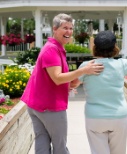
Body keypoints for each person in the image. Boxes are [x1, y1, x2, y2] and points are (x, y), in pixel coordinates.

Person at [20, 13, 103, 154]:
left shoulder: (55, 47)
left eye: (71, 28)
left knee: (42, 141)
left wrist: (68, 86)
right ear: (55, 29)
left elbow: (53, 78)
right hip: (49, 107)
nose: (69, 32)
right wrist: (83, 70)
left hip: (36, 104)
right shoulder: (52, 49)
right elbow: (57, 78)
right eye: (65, 28)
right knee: (60, 147)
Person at [77, 30, 127, 154]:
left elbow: (73, 83)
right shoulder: (121, 64)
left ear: (95, 47)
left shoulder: (87, 66)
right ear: (114, 48)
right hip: (119, 117)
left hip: (95, 118)